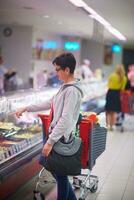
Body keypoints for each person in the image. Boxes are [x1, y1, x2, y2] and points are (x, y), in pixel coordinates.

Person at [15, 52, 84, 200]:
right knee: (58, 174)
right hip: (56, 136)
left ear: (67, 70)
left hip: (60, 138)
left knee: (60, 175)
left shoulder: (72, 91)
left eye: (58, 69)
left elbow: (65, 120)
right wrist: (26, 107)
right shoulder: (65, 87)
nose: (55, 72)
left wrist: (50, 141)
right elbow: (49, 103)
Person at [105, 64, 127, 131]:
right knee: (114, 112)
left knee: (108, 111)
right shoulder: (124, 78)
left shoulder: (112, 75)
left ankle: (108, 126)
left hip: (110, 93)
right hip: (117, 94)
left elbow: (108, 85)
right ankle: (113, 126)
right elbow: (122, 89)